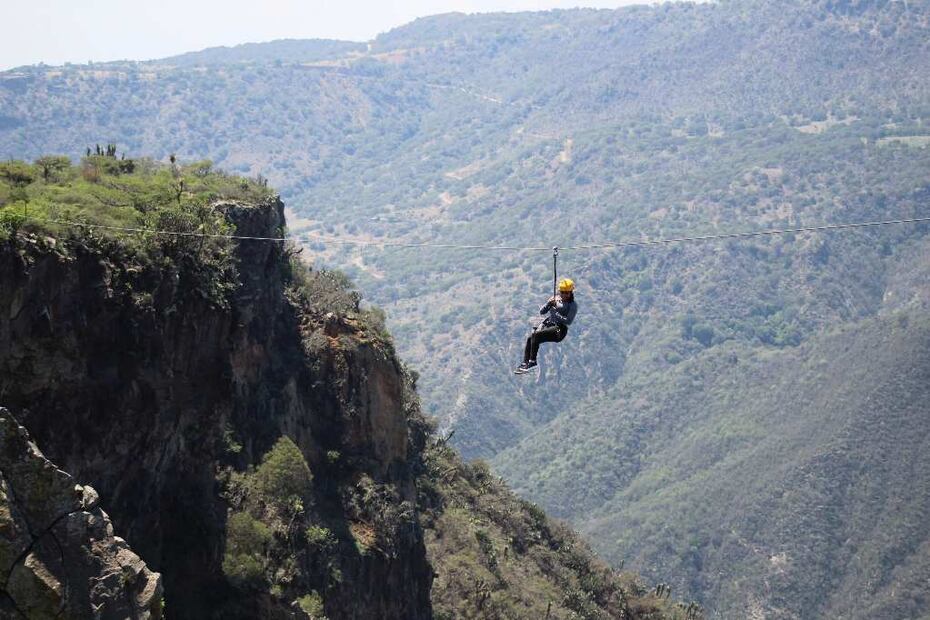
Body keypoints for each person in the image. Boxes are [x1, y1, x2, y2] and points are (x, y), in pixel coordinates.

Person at [515, 278, 577, 374]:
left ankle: (532, 362)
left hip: (559, 330)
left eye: (567, 293)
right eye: (562, 292)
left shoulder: (572, 305)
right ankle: (525, 363)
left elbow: (568, 321)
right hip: (550, 325)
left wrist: (555, 313)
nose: (565, 295)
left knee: (537, 335)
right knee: (530, 338)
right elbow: (542, 312)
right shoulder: (555, 299)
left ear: (571, 292)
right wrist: (548, 304)